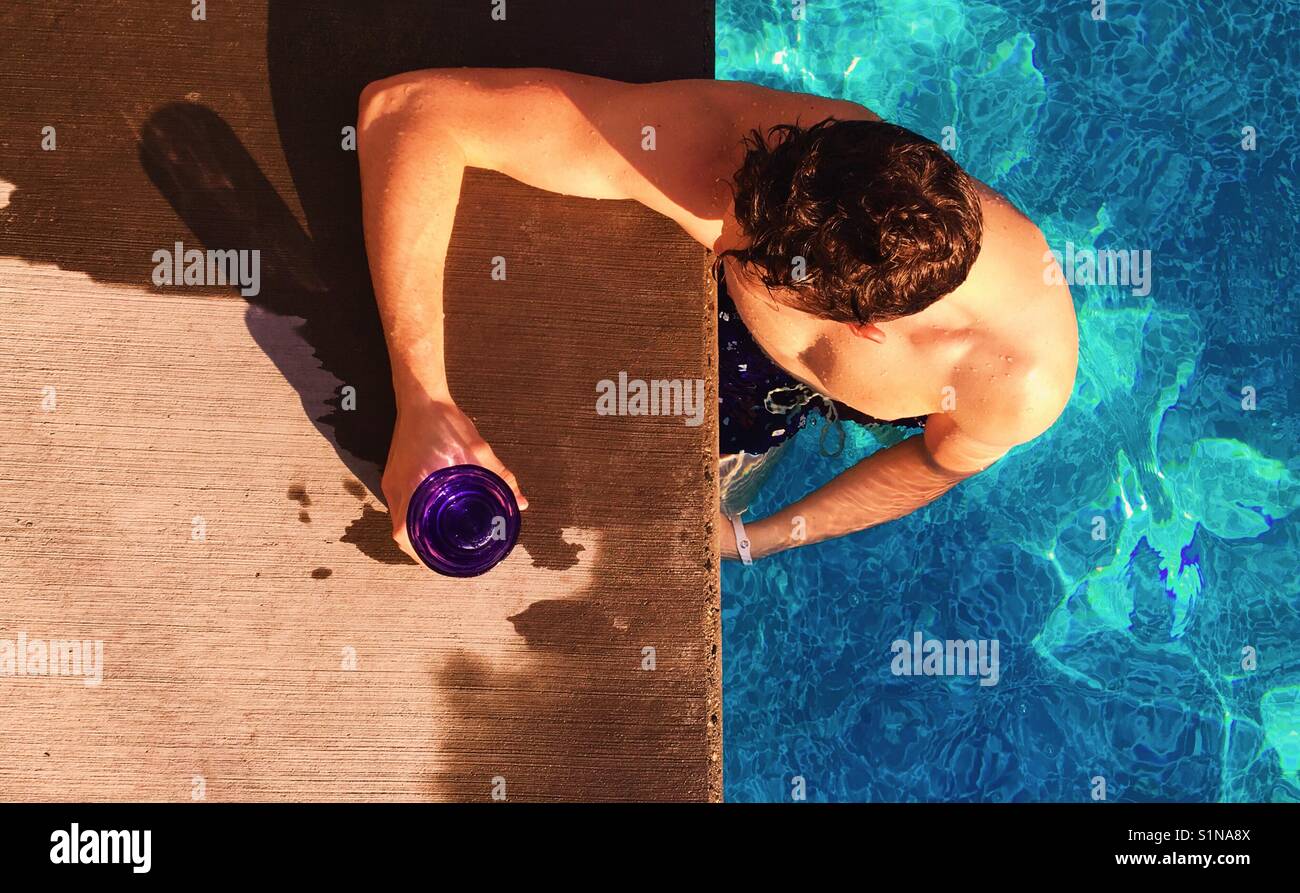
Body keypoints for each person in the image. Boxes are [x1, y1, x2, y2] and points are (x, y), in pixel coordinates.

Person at [356, 68, 1077, 563]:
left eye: (744, 252)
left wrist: (754, 538)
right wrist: (423, 398)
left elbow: (930, 460)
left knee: (693, 507)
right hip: (754, 311)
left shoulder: (1017, 380)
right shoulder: (748, 150)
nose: (718, 225)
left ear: (863, 327)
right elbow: (409, 110)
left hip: (779, 393)